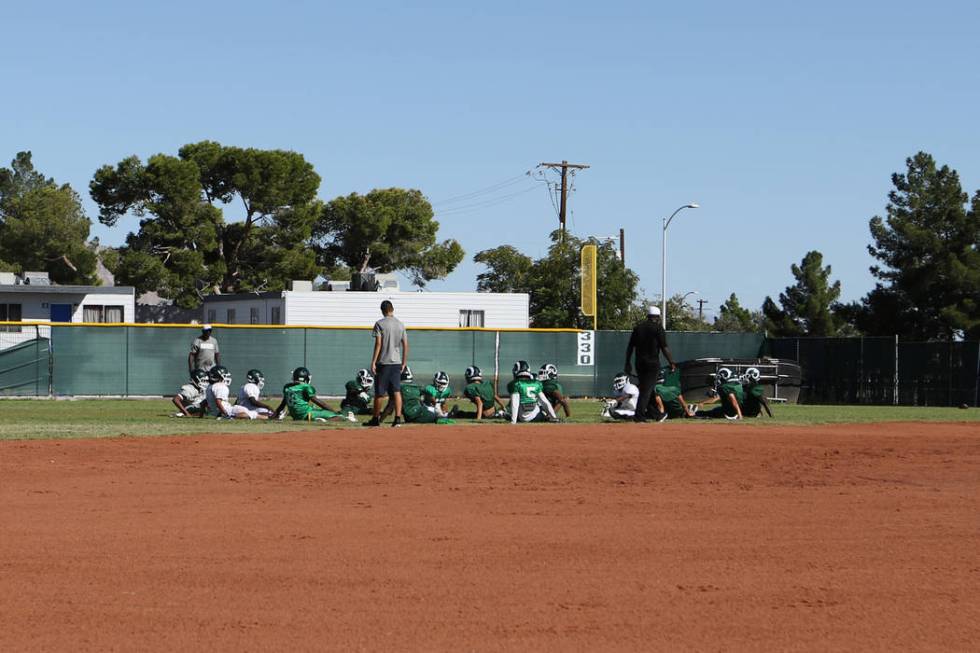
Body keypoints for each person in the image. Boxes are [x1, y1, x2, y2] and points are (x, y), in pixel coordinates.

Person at [624, 306, 677, 422]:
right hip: (652, 364)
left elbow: (630, 347)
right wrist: (671, 362)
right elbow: (664, 347)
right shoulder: (658, 328)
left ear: (648, 316)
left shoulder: (638, 328)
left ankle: (657, 415)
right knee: (646, 390)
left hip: (639, 363)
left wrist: (627, 363)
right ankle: (639, 416)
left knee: (647, 389)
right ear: (658, 317)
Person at [366, 300, 409, 428]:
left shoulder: (380, 324)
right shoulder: (400, 324)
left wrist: (373, 361)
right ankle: (397, 419)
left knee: (379, 392)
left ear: (382, 310)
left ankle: (375, 419)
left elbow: (378, 343)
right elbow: (405, 345)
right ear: (392, 309)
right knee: (396, 391)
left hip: (383, 362)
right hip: (396, 362)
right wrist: (404, 363)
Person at [273, 366, 356, 422]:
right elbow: (319, 402)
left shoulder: (287, 387)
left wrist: (274, 415)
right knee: (338, 417)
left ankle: (316, 417)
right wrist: (334, 412)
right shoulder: (305, 387)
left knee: (313, 407)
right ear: (305, 378)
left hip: (296, 416)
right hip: (306, 413)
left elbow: (282, 404)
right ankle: (324, 420)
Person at [380, 367, 453, 424]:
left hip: (413, 415)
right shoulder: (416, 387)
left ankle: (445, 416)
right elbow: (428, 396)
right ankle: (447, 415)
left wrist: (380, 420)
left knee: (437, 416)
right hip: (420, 412)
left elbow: (390, 408)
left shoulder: (398, 389)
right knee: (437, 416)